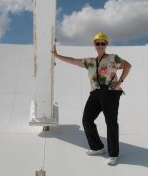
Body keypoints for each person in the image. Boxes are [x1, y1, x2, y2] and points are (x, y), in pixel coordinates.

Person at [52, 32, 131, 165]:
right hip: (95, 93)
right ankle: (97, 147)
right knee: (87, 120)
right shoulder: (90, 62)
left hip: (111, 93)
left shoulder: (113, 58)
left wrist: (120, 81)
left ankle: (113, 154)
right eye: (97, 43)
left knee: (111, 122)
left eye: (102, 43)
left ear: (106, 45)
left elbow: (128, 66)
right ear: (94, 45)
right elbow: (73, 60)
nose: (100, 45)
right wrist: (57, 55)